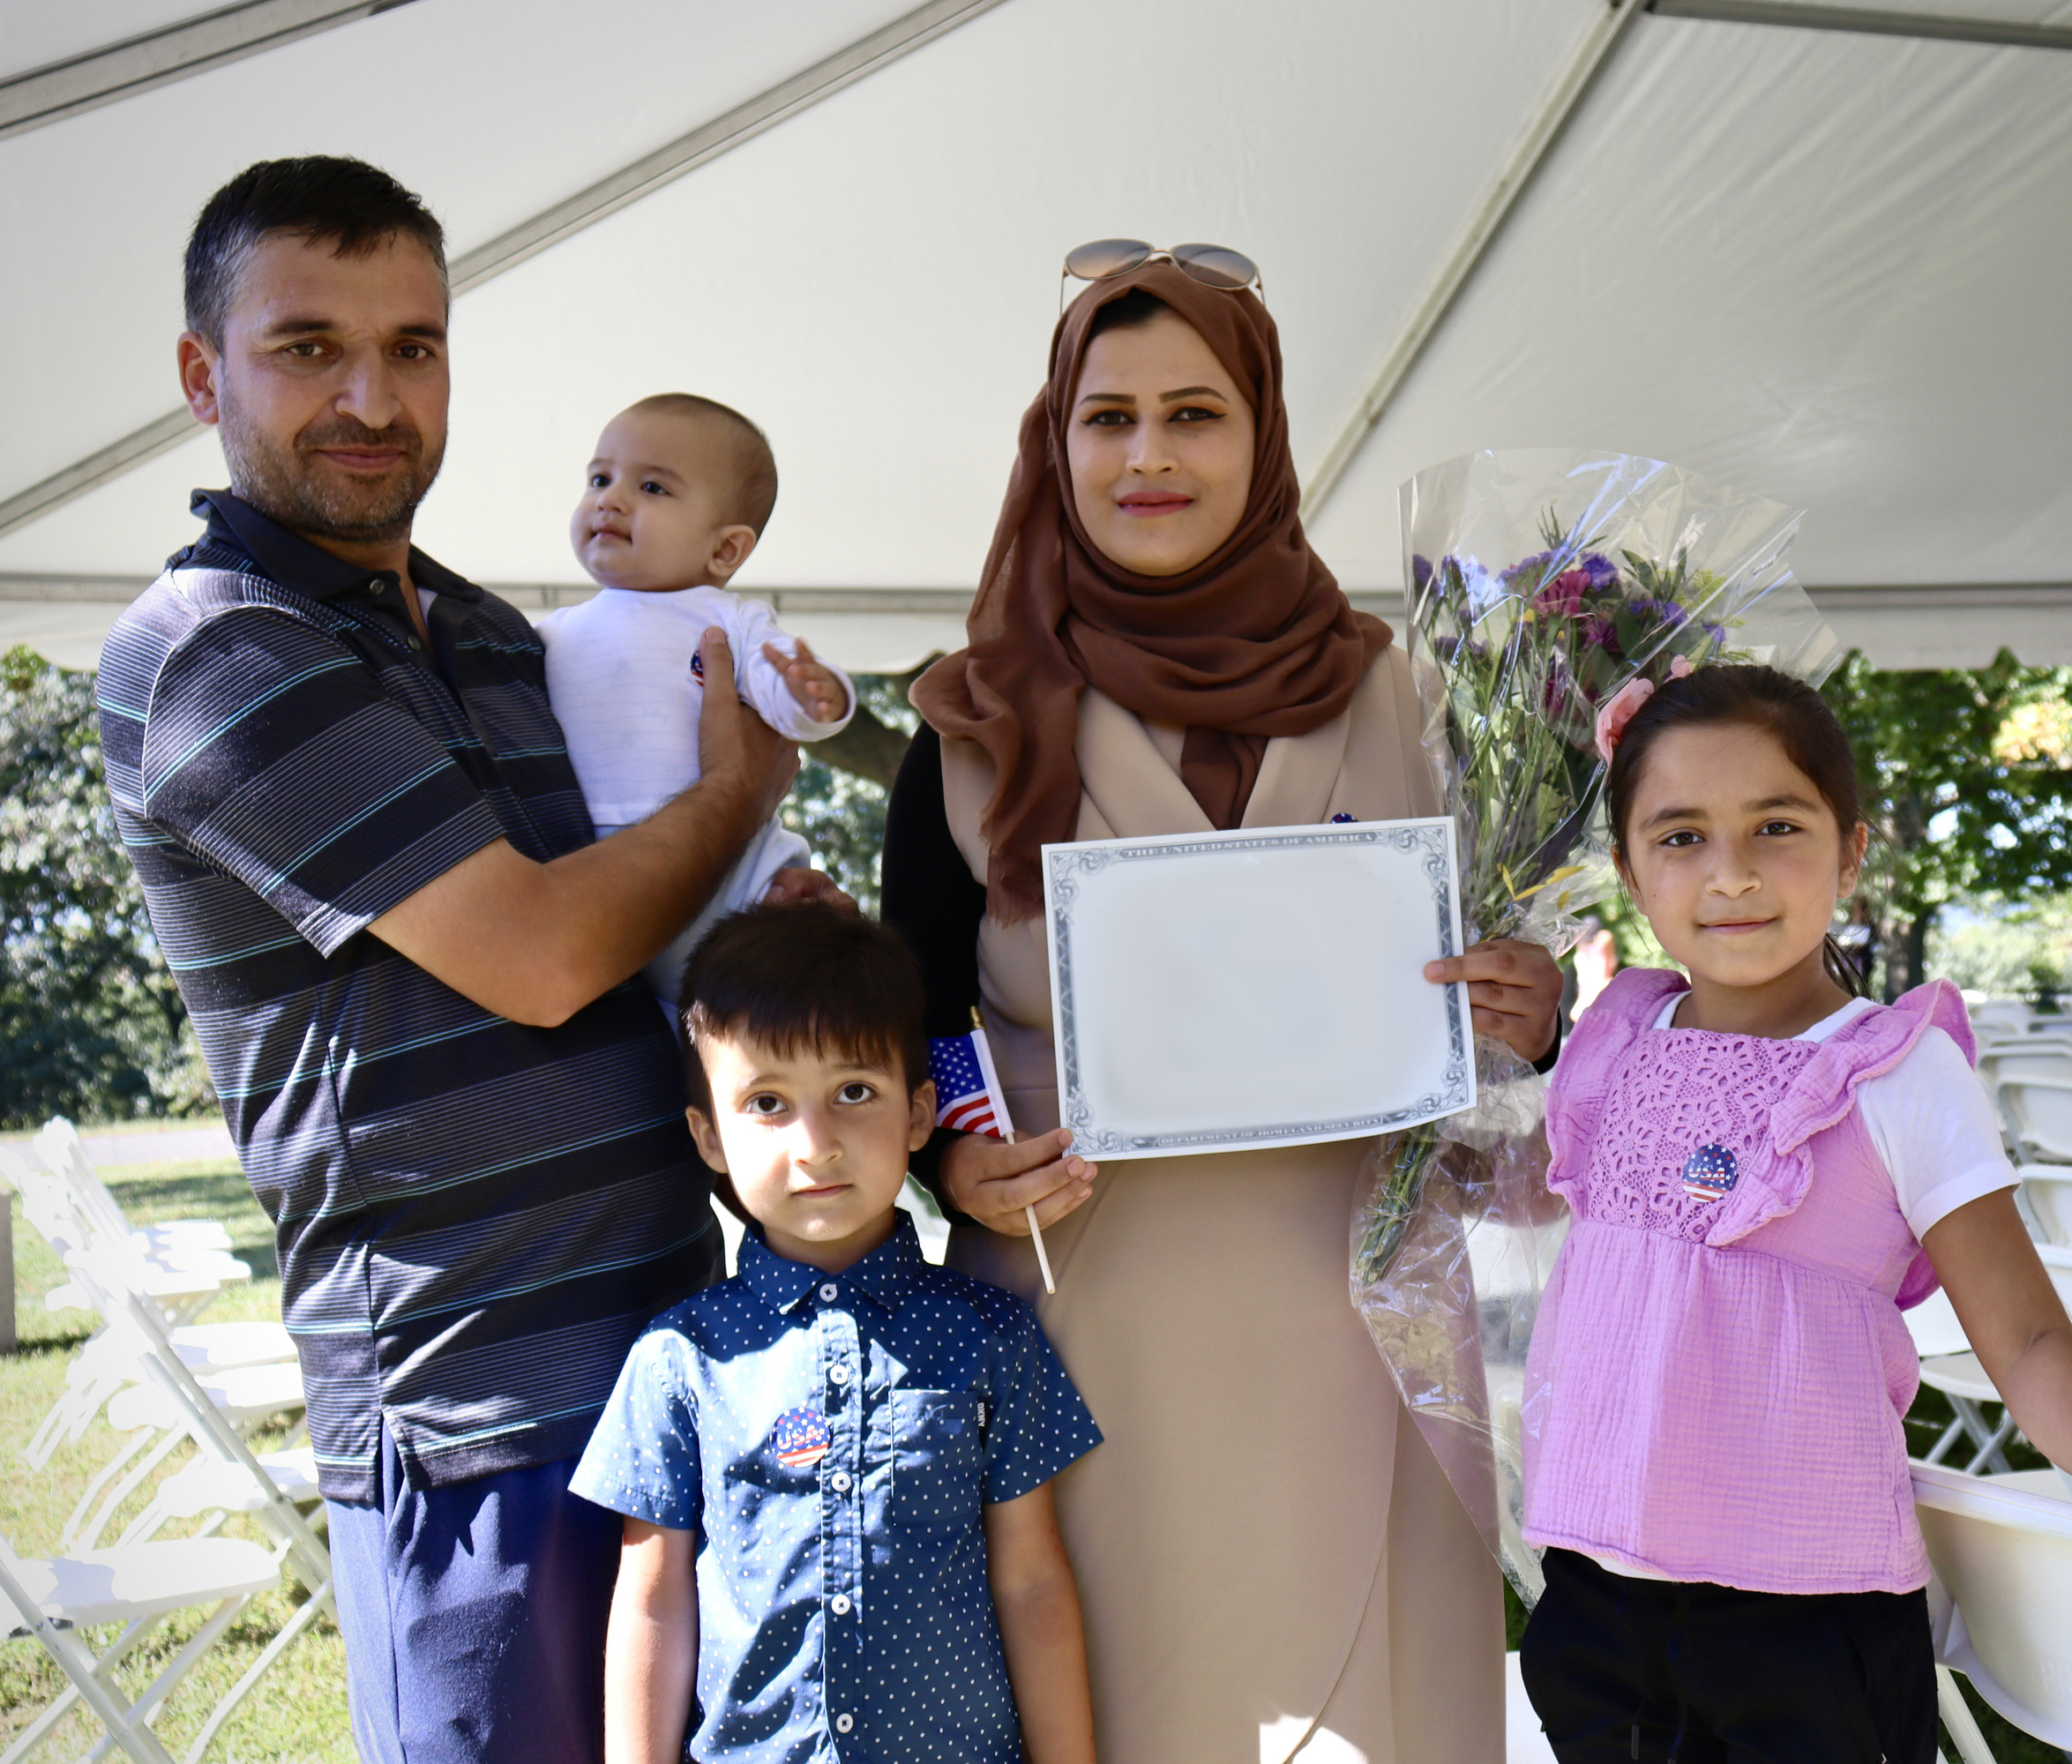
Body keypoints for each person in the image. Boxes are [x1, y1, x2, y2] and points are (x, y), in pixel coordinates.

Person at [95, 156, 842, 1763]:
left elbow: (652, 920)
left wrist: (766, 920)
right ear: (199, 375)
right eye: (307, 346)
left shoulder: (509, 636)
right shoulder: (210, 652)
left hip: (683, 1355)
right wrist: (737, 795)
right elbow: (548, 954)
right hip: (474, 1407)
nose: (373, 395)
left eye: (415, 346)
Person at [881, 251, 1566, 1760]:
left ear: (1262, 440)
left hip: (1366, 1325)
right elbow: (915, 1010)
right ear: (1051, 442)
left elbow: (1493, 991)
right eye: (1106, 416)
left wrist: (1538, 999)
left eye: (1195, 413)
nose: (1148, 456)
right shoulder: (966, 715)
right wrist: (956, 1156)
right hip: (1085, 1328)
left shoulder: (1414, 692)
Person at [1516, 664, 2072, 1761]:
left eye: (1775, 824)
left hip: (1804, 1614)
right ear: (1632, 875)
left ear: (1853, 849)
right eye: (1680, 836)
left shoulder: (1896, 1073)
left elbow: (2026, 1332)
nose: (1731, 873)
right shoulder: (1618, 1040)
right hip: (1596, 1596)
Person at [577, 904, 1101, 1764]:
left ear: (921, 1112)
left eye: (853, 1092)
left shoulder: (994, 1337)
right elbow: (653, 1599)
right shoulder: (677, 1359)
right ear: (709, 1133)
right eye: (767, 1102)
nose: (815, 1145)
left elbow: (1034, 1580)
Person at [537, 393, 856, 1008]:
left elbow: (779, 692)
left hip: (734, 873)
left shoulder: (729, 619)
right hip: (596, 877)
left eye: (652, 487)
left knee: (780, 1004)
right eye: (600, 478)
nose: (611, 498)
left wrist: (812, 692)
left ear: (725, 550)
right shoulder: (553, 631)